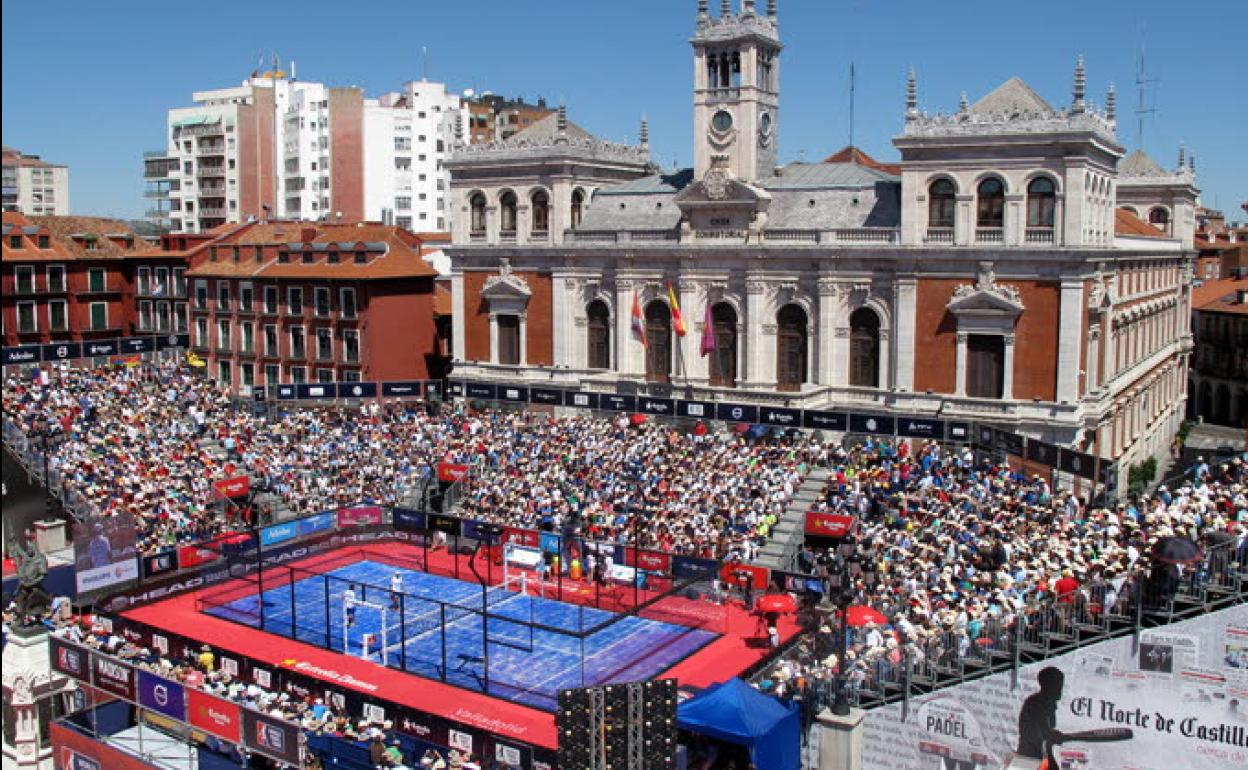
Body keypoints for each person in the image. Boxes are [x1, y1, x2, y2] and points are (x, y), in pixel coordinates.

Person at [1016, 666, 1067, 767]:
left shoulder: (1049, 703)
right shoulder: (1036, 704)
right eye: (1057, 685)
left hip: (1038, 755)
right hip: (1029, 757)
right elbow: (1038, 732)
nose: (1060, 689)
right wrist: (1052, 736)